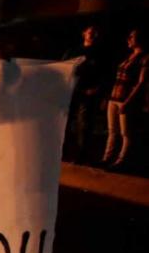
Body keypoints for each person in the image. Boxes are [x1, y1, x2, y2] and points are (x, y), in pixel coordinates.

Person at [63, 25, 109, 163]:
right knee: (65, 122)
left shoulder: (100, 53)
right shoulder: (74, 51)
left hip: (88, 93)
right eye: (90, 32)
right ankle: (63, 151)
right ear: (84, 34)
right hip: (72, 91)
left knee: (84, 125)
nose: (93, 35)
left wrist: (98, 89)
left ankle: (80, 155)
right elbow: (63, 68)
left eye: (95, 33)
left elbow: (105, 74)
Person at [102, 29, 147, 169]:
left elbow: (141, 82)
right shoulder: (129, 56)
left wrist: (128, 102)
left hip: (125, 99)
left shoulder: (145, 58)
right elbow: (117, 79)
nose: (128, 39)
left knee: (125, 132)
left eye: (132, 37)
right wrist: (108, 97)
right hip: (114, 97)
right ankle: (106, 158)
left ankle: (121, 161)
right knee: (112, 130)